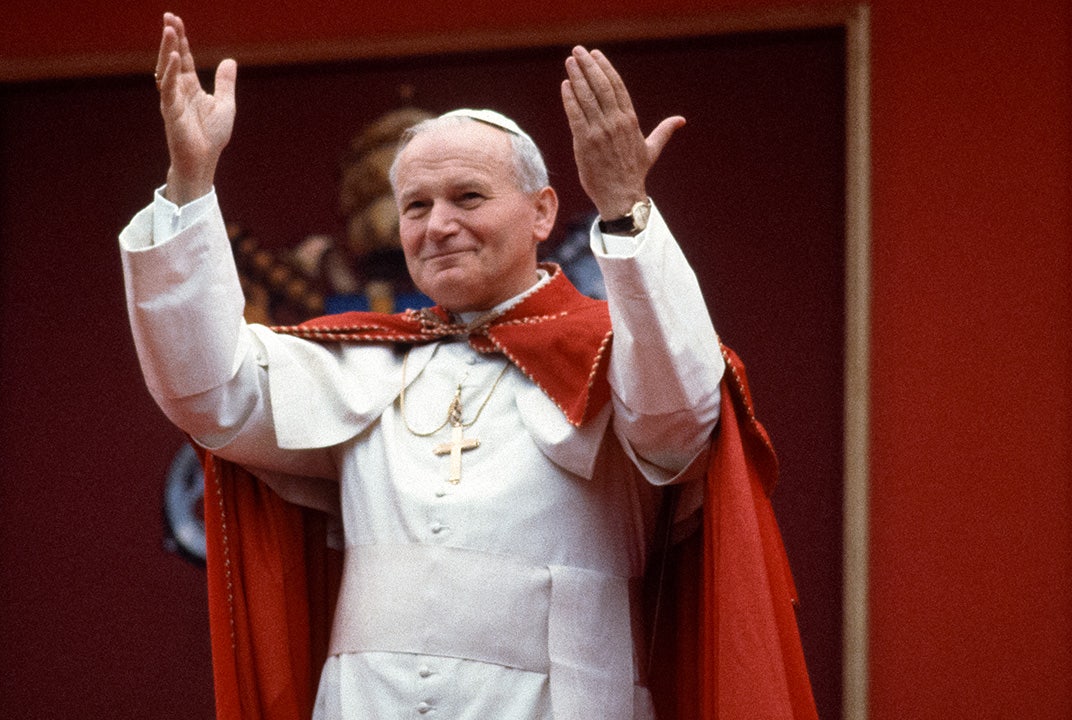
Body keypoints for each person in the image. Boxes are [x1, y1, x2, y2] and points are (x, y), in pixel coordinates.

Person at [120, 12, 816, 720]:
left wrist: (624, 210)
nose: (438, 225)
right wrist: (189, 185)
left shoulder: (617, 353)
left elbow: (681, 419)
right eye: (415, 206)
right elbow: (207, 392)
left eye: (468, 197)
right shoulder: (357, 356)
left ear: (542, 211)